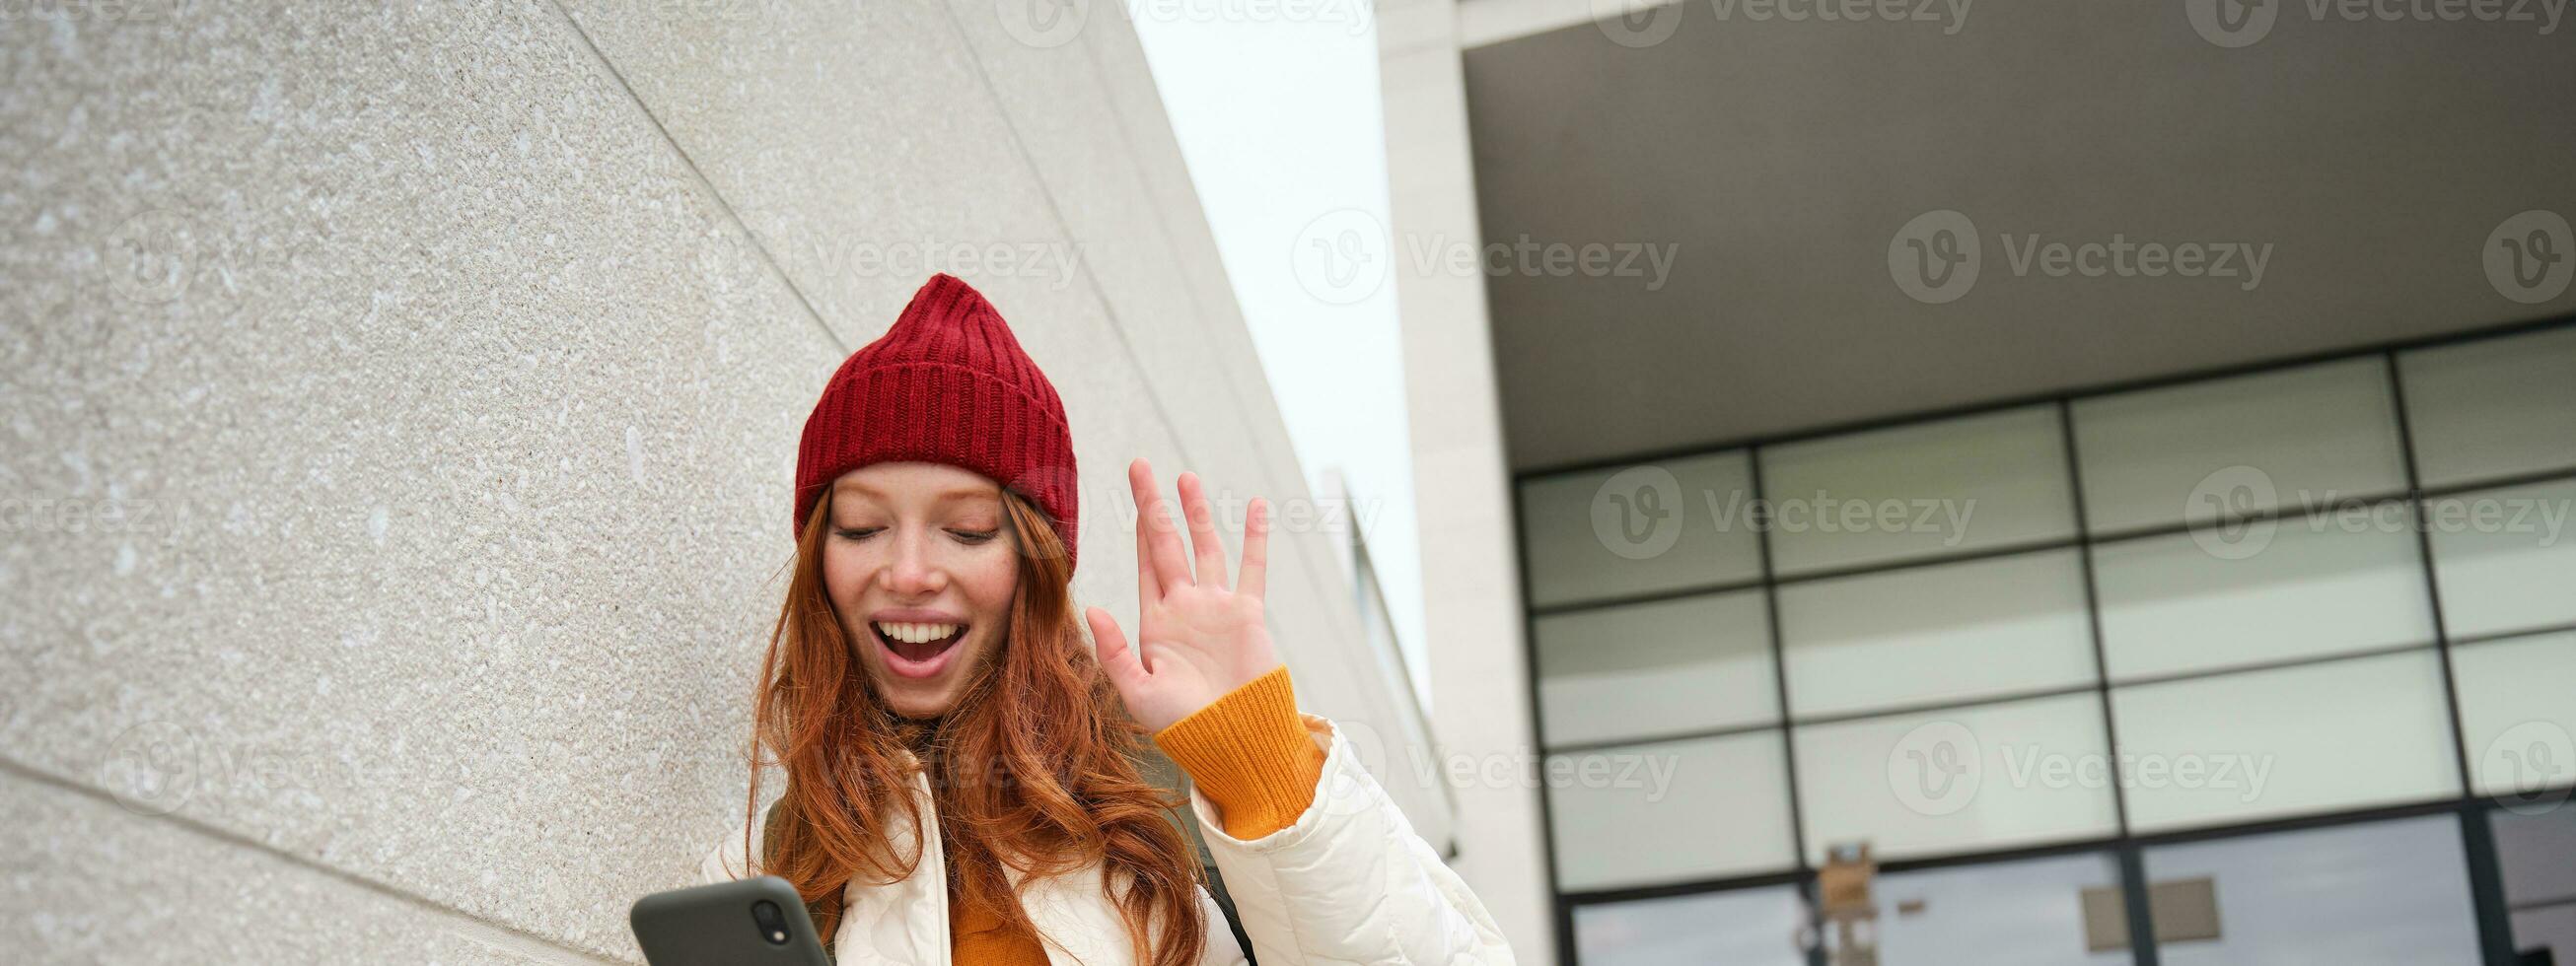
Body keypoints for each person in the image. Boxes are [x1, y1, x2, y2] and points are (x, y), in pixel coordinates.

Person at [697, 273, 1514, 965]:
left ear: (1036, 563)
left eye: (969, 529)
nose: (908, 573)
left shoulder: (1162, 782)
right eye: (863, 527)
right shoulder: (782, 855)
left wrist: (1259, 764)